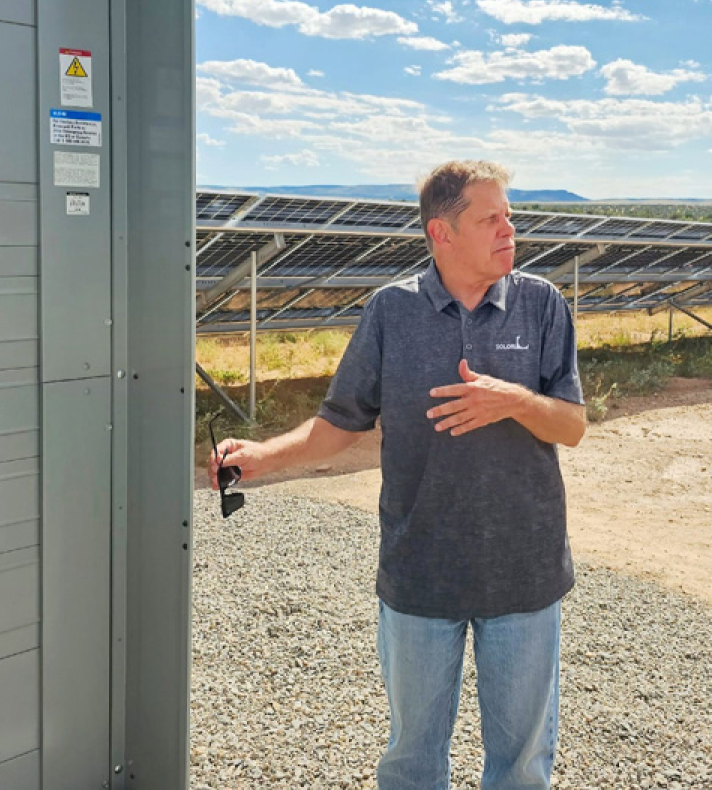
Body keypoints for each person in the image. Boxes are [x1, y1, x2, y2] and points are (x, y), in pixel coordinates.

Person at [212, 160, 586, 790]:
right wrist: (262, 457)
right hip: (420, 573)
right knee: (412, 759)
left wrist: (512, 401)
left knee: (521, 765)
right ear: (442, 233)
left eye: (509, 215)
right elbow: (341, 424)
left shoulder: (540, 303)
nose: (510, 229)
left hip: (525, 573)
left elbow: (571, 424)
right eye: (491, 218)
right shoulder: (392, 311)